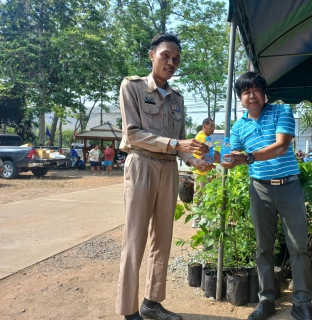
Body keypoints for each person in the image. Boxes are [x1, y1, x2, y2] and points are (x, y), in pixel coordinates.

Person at [116, 33, 212, 320]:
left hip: (169, 168)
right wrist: (175, 146)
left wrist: (196, 162)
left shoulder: (177, 99)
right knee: (135, 239)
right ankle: (129, 309)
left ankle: (151, 302)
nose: (171, 62)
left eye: (176, 59)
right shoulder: (131, 87)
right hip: (141, 164)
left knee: (163, 238)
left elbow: (181, 143)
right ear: (152, 55)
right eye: (165, 56)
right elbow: (132, 133)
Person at [221, 72, 312, 320]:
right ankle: (266, 300)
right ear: (240, 98)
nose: (251, 95)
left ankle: (302, 303)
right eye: (245, 92)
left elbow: (282, 146)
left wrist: (248, 157)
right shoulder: (239, 126)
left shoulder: (281, 112)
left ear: (264, 93)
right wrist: (215, 160)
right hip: (259, 188)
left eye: (255, 90)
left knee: (298, 247)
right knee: (263, 248)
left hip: (289, 187)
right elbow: (232, 154)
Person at [191, 117, 215, 228]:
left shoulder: (204, 137)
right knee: (200, 195)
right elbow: (201, 154)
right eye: (211, 126)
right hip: (201, 172)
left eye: (214, 126)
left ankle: (200, 218)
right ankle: (196, 219)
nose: (213, 129)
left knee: (202, 195)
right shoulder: (202, 137)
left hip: (203, 171)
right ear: (204, 126)